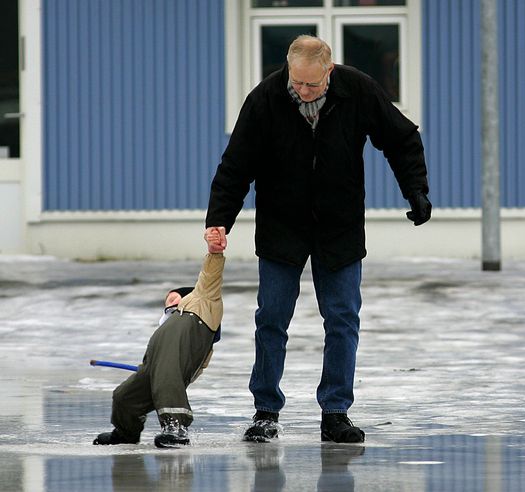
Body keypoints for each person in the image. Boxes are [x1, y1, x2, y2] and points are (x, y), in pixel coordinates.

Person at [206, 34, 431, 443]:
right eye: (297, 83)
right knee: (271, 319)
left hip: (338, 226)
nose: (303, 91)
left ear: (329, 70)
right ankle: (265, 411)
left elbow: (401, 138)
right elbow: (236, 166)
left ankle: (335, 412)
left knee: (342, 319)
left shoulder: (357, 90)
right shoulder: (266, 99)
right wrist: (219, 220)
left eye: (311, 84)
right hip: (281, 226)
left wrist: (415, 190)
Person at [93, 227, 226, 448]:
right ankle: (126, 431)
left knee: (166, 376)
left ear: (187, 296)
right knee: (124, 396)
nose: (169, 304)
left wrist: (214, 253)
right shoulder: (166, 325)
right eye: (166, 302)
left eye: (174, 298)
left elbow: (210, 276)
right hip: (156, 362)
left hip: (174, 360)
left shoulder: (202, 300)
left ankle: (176, 427)